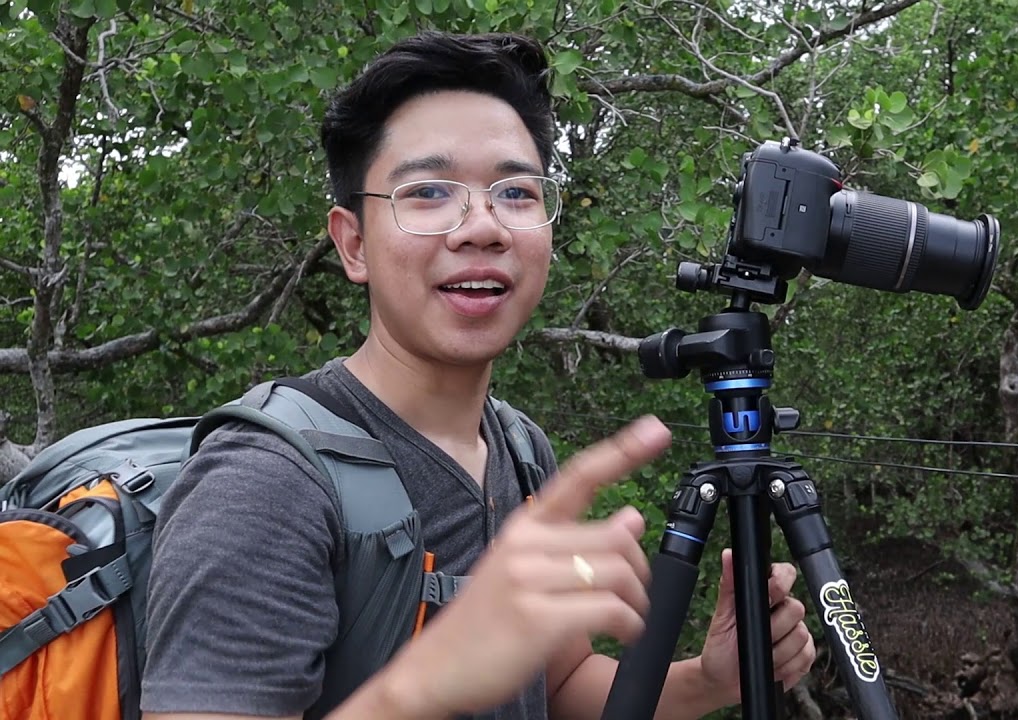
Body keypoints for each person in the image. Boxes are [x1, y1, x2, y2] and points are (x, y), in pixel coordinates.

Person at [140, 30, 815, 720]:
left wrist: (709, 679)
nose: (482, 226)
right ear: (353, 243)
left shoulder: (519, 450)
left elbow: (558, 685)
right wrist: (424, 685)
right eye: (429, 192)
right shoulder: (262, 484)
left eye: (516, 192)